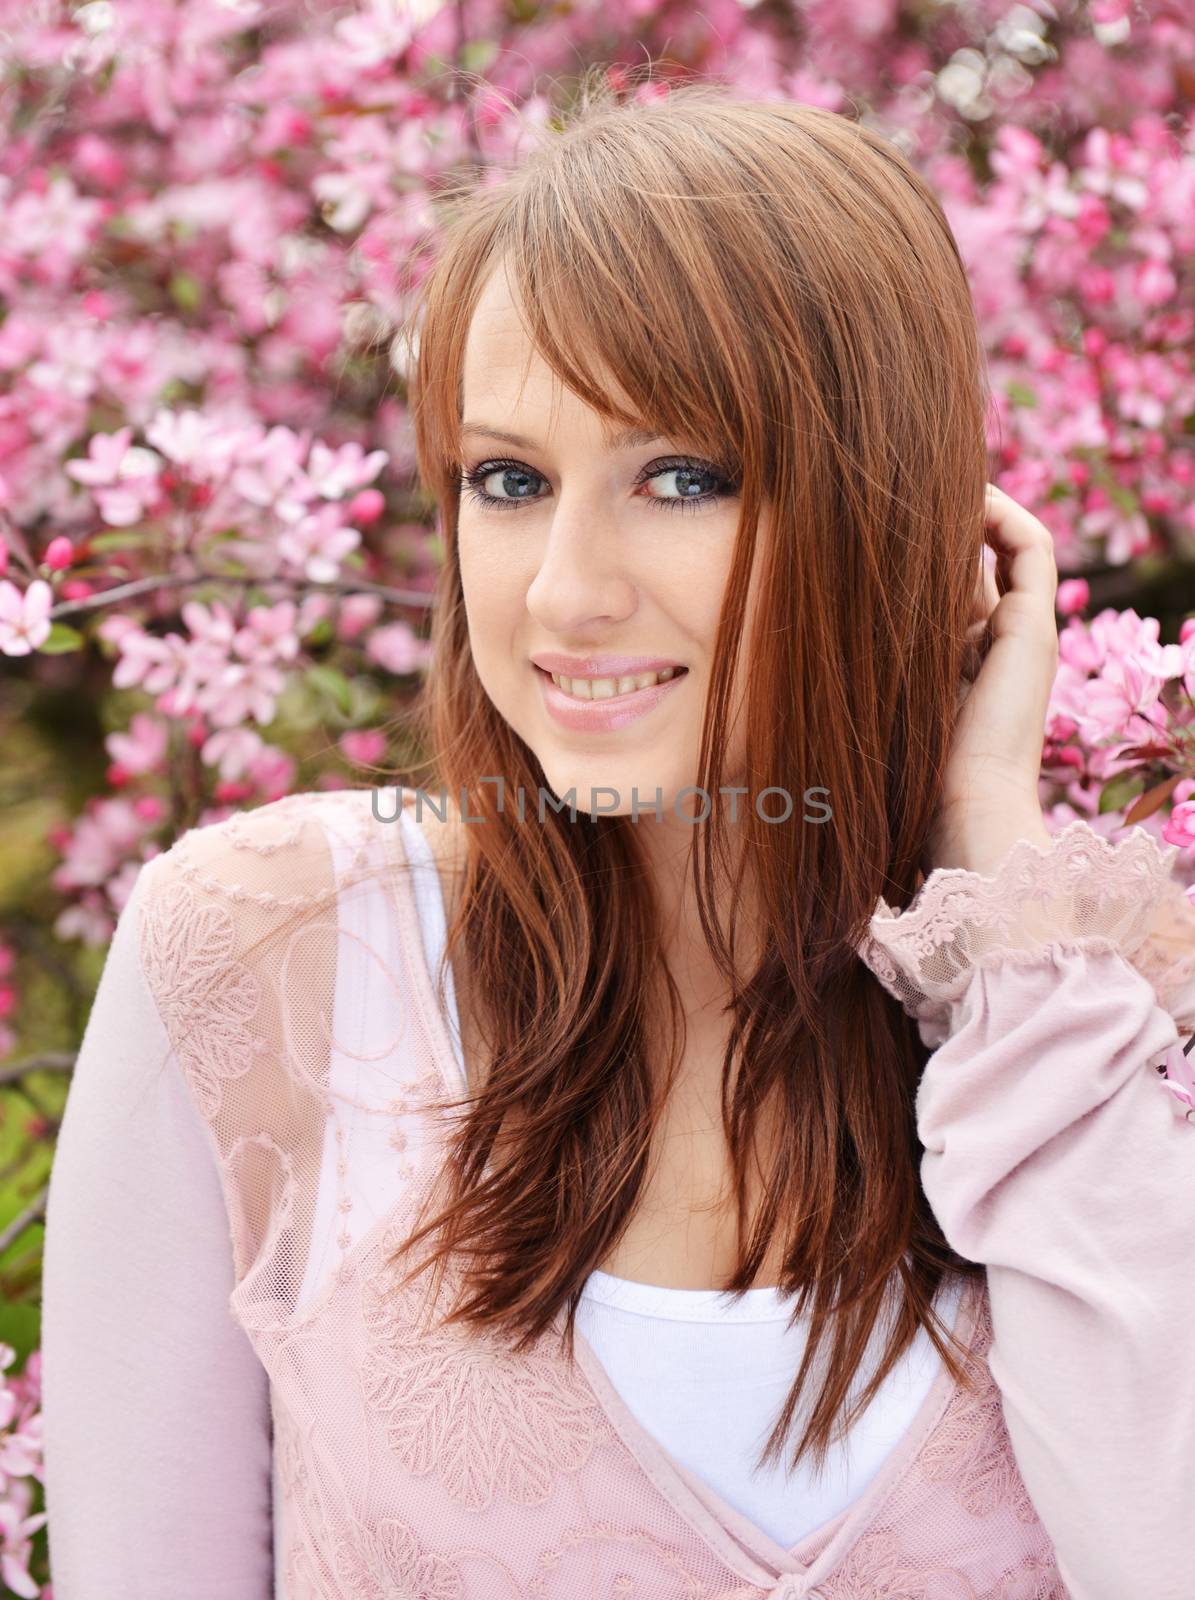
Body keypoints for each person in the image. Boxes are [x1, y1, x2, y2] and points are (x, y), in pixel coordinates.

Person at [40, 74, 1195, 1599]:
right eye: (507, 481)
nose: (564, 592)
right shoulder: (263, 961)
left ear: (890, 508)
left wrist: (995, 869)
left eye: (681, 478)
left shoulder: (1104, 1039)